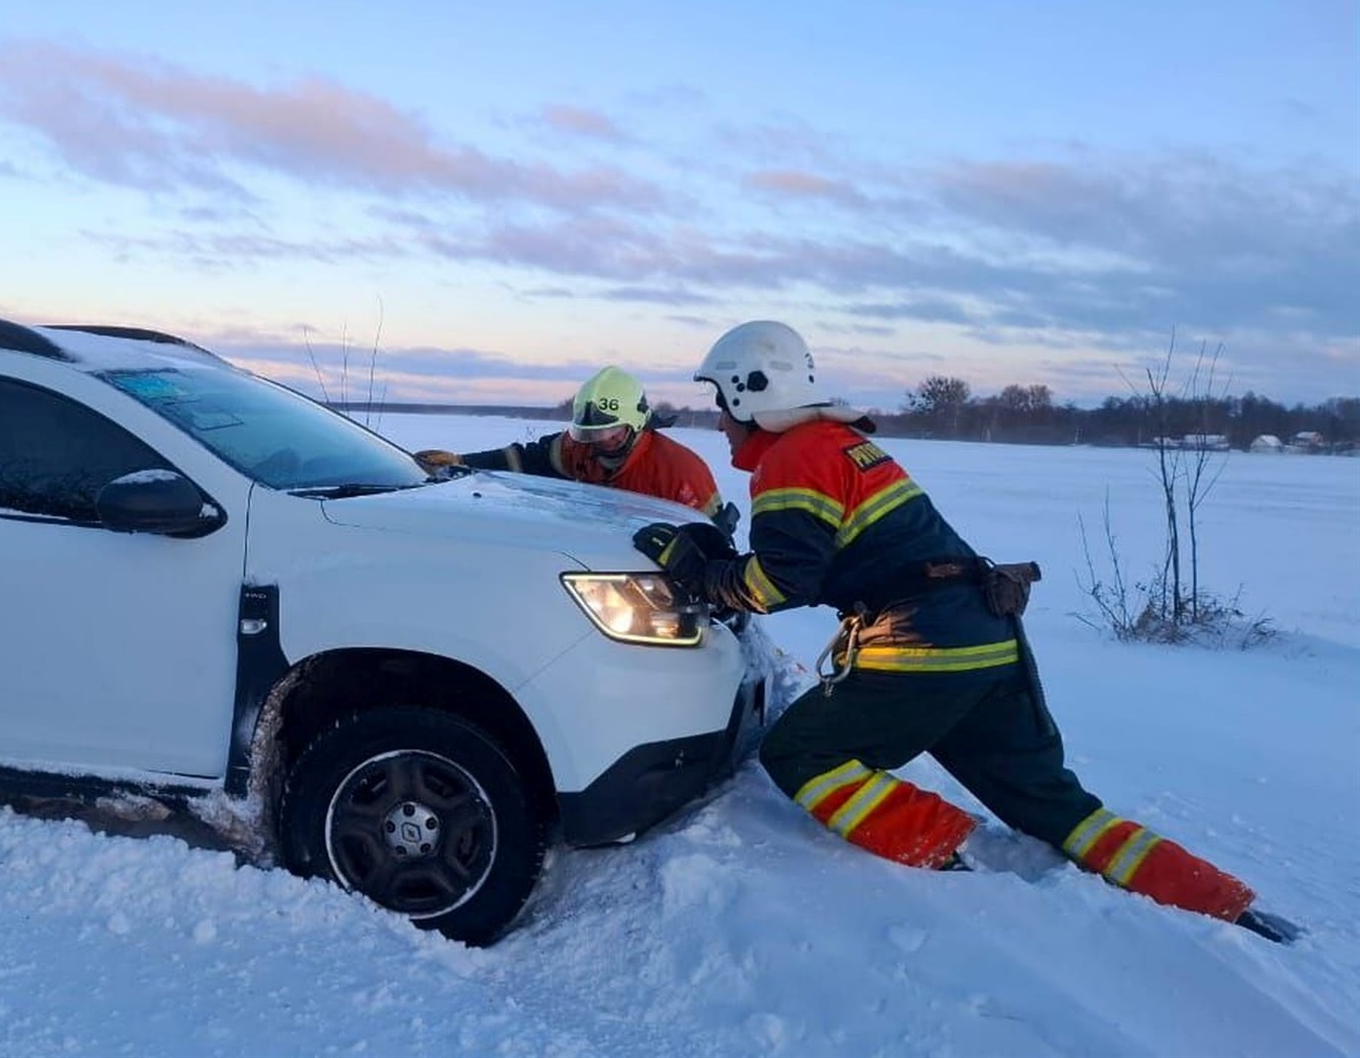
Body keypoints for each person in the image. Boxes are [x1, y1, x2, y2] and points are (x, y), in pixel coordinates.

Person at [632, 320, 1288, 938]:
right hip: (986, 635)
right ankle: (1222, 903)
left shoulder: (793, 459)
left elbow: (784, 581)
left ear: (751, 395)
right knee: (1055, 804)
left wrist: (704, 574)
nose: (717, 420)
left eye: (720, 401)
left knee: (800, 753)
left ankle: (951, 849)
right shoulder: (845, 446)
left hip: (924, 649)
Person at [415, 365, 735, 530]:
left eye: (612, 432)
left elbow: (713, 537)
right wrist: (461, 461)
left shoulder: (679, 471)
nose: (601, 442)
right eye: (592, 434)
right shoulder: (581, 449)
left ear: (636, 423)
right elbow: (526, 458)